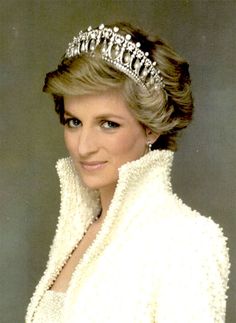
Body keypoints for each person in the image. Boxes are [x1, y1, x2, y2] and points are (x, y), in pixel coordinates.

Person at [26, 22, 230, 323]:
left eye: (108, 124)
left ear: (151, 128)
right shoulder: (78, 232)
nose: (84, 147)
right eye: (74, 122)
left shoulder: (186, 240)